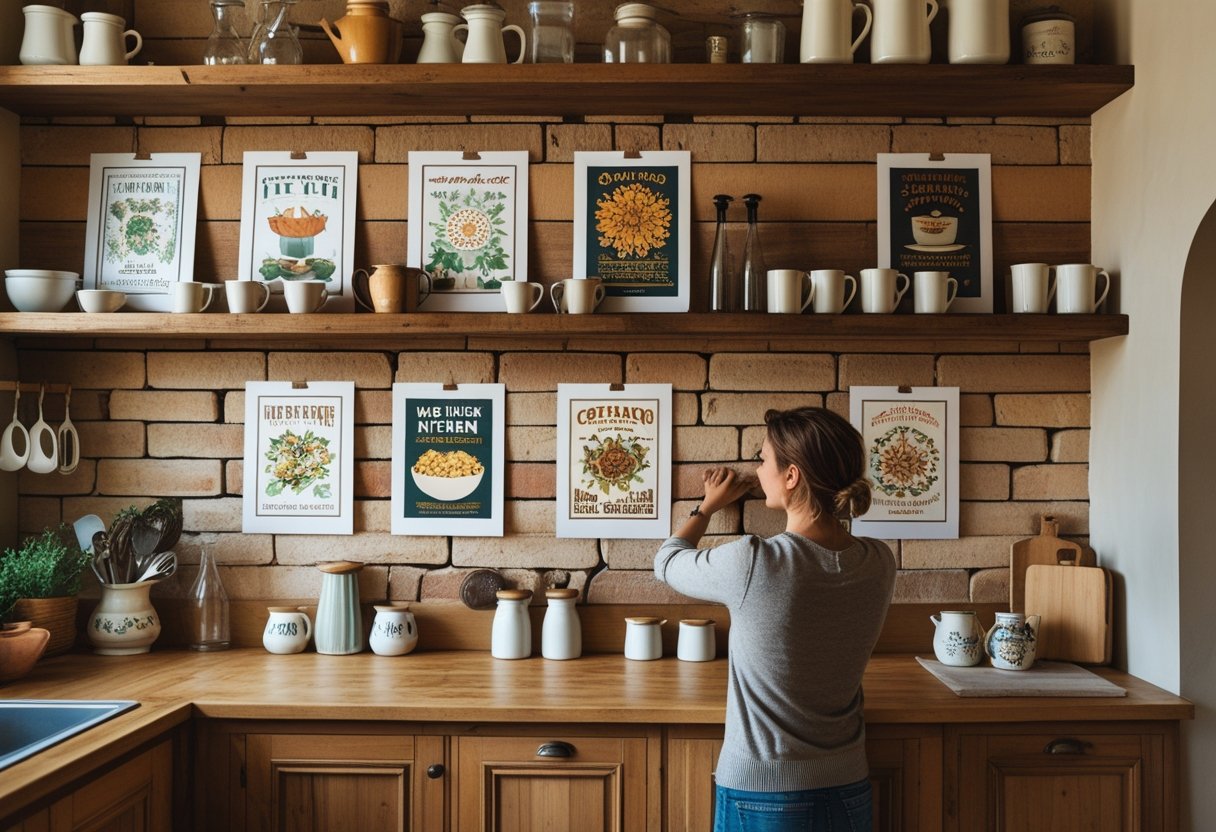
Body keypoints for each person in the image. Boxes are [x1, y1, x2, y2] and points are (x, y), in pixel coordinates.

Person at [654, 406, 896, 832]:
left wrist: (708, 506)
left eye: (763, 458)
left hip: (764, 796)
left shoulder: (756, 561)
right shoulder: (879, 561)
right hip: (849, 787)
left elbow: (668, 562)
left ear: (791, 476)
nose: (758, 468)